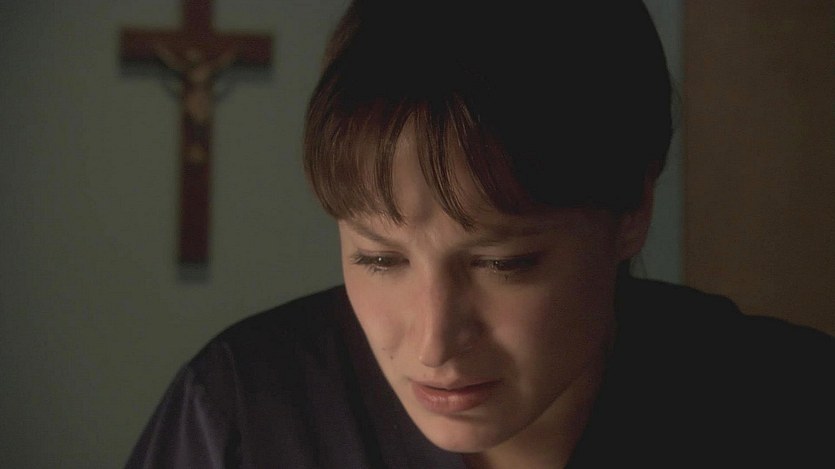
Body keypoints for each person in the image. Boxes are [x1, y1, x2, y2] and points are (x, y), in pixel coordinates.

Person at [125, 1, 835, 467]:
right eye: (379, 257)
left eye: (503, 263)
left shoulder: (792, 409)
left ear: (632, 210)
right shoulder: (240, 418)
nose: (433, 343)